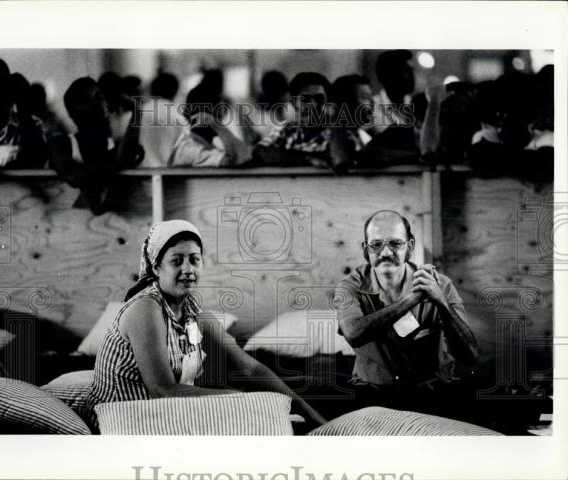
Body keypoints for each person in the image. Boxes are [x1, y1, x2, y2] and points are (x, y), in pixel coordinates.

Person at [87, 220, 326, 432]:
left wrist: (316, 419)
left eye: (194, 259)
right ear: (156, 267)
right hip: (122, 419)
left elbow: (250, 369)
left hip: (159, 413)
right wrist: (242, 400)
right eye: (176, 261)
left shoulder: (192, 311)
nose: (188, 270)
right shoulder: (145, 308)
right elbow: (163, 390)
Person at [334, 210, 479, 421]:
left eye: (395, 243)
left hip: (432, 391)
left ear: (410, 247)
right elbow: (354, 333)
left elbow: (469, 356)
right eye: (376, 244)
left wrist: (441, 303)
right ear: (365, 249)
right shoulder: (350, 287)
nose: (385, 252)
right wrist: (411, 299)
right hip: (372, 393)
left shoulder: (438, 284)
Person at [48, 77, 143, 214]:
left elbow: (124, 157)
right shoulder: (61, 144)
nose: (104, 103)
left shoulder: (113, 145)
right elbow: (74, 176)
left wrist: (137, 112)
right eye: (98, 97)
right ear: (79, 107)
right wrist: (115, 158)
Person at [0, 57, 47, 206]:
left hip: (20, 209)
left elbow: (37, 160)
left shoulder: (31, 123)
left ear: (9, 88)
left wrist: (23, 106)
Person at [253, 72, 347, 168]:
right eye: (305, 99)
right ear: (294, 104)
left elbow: (341, 159)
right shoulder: (286, 130)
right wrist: (307, 159)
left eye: (319, 98)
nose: (313, 105)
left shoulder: (341, 133)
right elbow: (261, 152)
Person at [168, 84, 251, 167]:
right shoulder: (190, 150)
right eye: (222, 110)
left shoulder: (194, 145)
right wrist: (218, 127)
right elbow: (242, 158)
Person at [370, 50, 419, 152]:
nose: (411, 77)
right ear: (387, 76)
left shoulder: (417, 105)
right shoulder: (371, 108)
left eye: (411, 71)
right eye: (405, 71)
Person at [139, 72, 183, 167]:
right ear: (175, 91)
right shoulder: (178, 116)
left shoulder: (137, 113)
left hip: (138, 174)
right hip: (168, 174)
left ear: (151, 90)